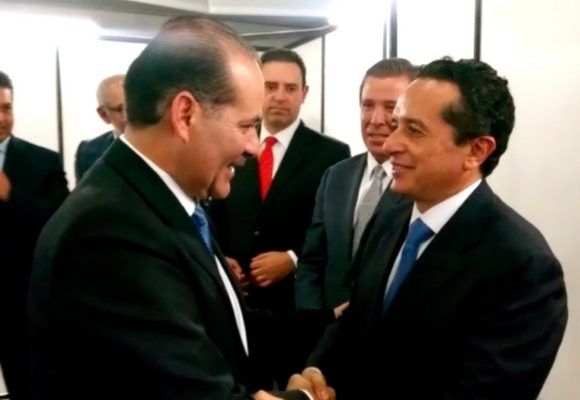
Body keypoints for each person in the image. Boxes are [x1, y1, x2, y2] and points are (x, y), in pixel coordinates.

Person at [29, 17, 334, 400]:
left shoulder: (165, 203)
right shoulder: (111, 232)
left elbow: (226, 325)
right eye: (245, 126)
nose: (253, 148)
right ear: (185, 115)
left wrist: (332, 321)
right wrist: (306, 397)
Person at [298, 58, 568, 399]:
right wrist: (316, 373)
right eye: (396, 125)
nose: (390, 144)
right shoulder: (390, 216)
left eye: (414, 130)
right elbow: (357, 319)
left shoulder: (522, 266)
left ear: (476, 150)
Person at [210, 48, 350, 316]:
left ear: (304, 93)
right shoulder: (232, 143)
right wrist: (219, 258)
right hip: (234, 296)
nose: (280, 97)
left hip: (295, 301)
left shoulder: (332, 155)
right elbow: (214, 211)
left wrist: (293, 258)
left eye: (290, 88)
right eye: (270, 86)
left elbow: (335, 229)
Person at [295, 58, 415, 311]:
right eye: (368, 105)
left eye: (391, 107)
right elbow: (312, 262)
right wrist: (315, 322)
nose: (376, 119)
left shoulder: (422, 184)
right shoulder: (336, 176)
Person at [0, 70, 69, 400]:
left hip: (20, 304)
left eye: (6, 108)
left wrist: (11, 196)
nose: (2, 118)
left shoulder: (42, 161)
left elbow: (61, 224)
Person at [75, 73, 126, 181]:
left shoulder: (163, 145)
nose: (135, 113)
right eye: (123, 109)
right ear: (104, 114)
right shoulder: (88, 152)